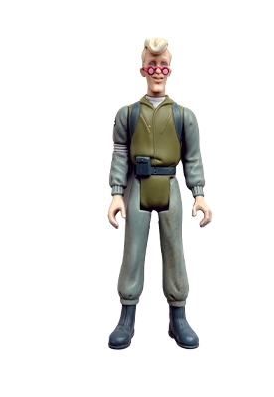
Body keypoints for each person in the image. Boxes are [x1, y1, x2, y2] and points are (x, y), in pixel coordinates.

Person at [106, 38, 212, 349]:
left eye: (162, 65)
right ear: (142, 69)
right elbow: (120, 155)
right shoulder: (128, 114)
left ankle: (178, 316)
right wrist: (116, 192)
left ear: (170, 70)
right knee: (133, 251)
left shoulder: (184, 116)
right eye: (151, 65)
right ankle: (126, 316)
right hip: (138, 187)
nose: (157, 71)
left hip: (169, 186)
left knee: (174, 251)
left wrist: (199, 193)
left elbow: (192, 158)